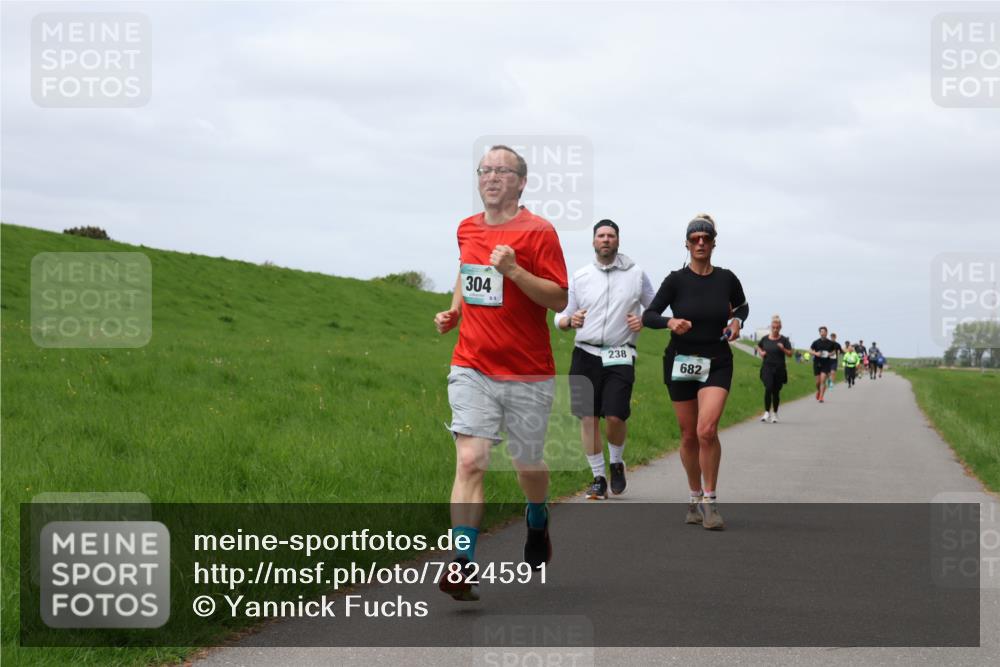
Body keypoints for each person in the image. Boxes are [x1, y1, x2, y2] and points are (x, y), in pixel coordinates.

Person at [434, 145, 568, 601]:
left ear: (521, 182)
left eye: (502, 170)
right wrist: (455, 310)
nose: (491, 177)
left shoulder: (540, 232)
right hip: (471, 364)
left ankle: (536, 516)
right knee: (471, 459)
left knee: (526, 463)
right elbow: (466, 270)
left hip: (528, 371)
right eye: (484, 169)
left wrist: (513, 271)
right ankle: (462, 562)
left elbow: (558, 299)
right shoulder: (466, 228)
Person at [642, 214, 749, 531]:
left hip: (716, 360)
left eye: (706, 237)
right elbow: (649, 315)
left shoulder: (727, 278)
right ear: (687, 244)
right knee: (689, 435)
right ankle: (693, 494)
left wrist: (736, 322)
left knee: (707, 430)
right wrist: (669, 322)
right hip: (680, 360)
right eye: (694, 238)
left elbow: (742, 306)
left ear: (714, 242)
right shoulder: (676, 280)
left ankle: (710, 502)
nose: (700, 242)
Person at [556, 219, 655, 499]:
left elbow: (656, 306)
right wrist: (568, 321)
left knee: (614, 415)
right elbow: (560, 315)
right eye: (601, 235)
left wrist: (644, 320)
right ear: (593, 241)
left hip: (620, 353)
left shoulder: (636, 274)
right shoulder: (581, 276)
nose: (606, 240)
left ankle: (616, 462)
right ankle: (598, 476)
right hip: (585, 352)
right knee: (588, 418)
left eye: (611, 235)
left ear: (618, 241)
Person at [757, 315, 792, 423]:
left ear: (780, 328)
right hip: (767, 367)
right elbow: (758, 346)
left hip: (779, 368)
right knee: (768, 388)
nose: (775, 329)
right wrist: (761, 352)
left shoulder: (784, 340)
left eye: (777, 327)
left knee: (776, 392)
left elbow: (790, 354)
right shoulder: (765, 339)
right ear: (770, 327)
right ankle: (767, 412)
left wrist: (783, 349)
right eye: (773, 327)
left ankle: (775, 413)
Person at [810, 326, 837, 402]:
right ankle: (818, 391)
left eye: (824, 332)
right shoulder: (815, 342)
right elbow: (810, 350)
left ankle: (821, 397)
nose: (823, 333)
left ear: (826, 333)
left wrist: (829, 354)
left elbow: (834, 352)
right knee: (817, 382)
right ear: (820, 333)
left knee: (822, 381)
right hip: (817, 363)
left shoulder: (830, 343)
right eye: (821, 332)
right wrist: (816, 353)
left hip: (826, 364)